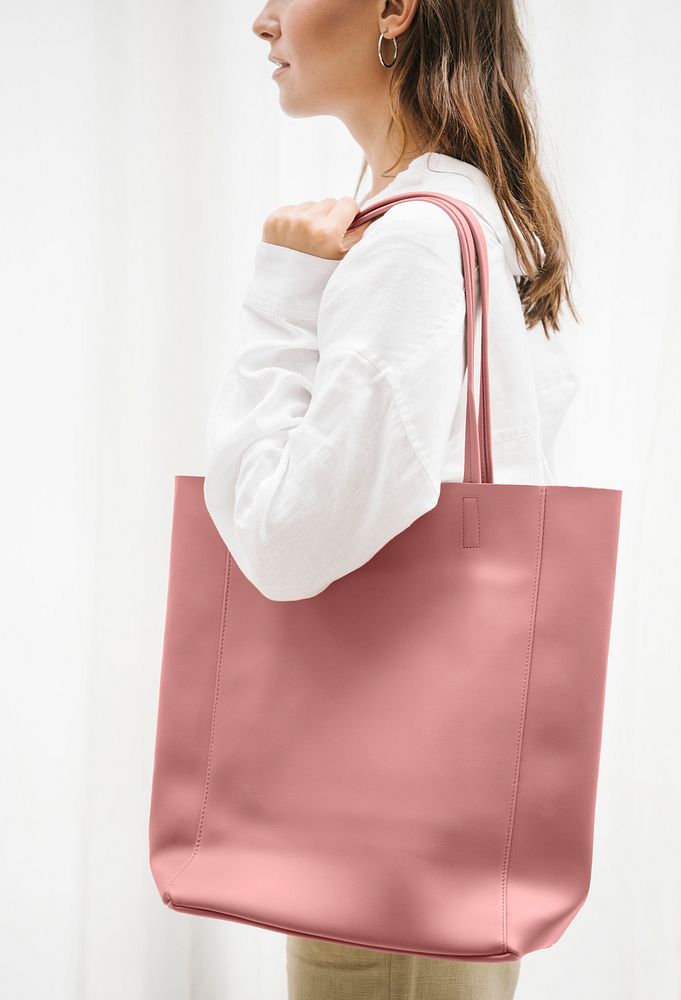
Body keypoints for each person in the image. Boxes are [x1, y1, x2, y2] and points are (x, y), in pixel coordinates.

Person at [203, 1, 583, 997]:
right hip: (442, 827)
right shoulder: (476, 219)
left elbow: (284, 544)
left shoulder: (411, 245)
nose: (262, 19)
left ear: (395, 7)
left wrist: (284, 291)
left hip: (376, 851)